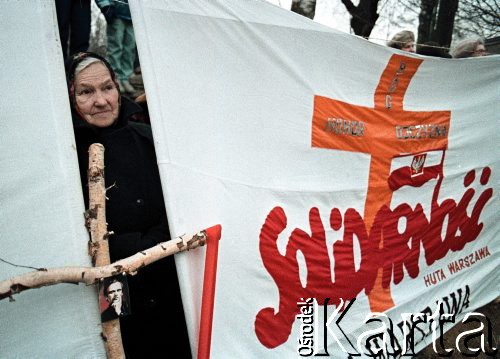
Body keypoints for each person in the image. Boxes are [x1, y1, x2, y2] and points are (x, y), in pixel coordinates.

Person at [66, 52, 191, 358]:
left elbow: (179, 201)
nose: (100, 100)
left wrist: (153, 243)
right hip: (109, 287)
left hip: (165, 274)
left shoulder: (150, 139)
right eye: (86, 92)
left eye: (107, 88)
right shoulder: (65, 156)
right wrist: (128, 247)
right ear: (70, 98)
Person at [95, 0, 136, 94]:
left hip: (133, 15)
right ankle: (115, 78)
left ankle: (126, 78)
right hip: (116, 12)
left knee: (130, 48)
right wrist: (105, 5)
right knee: (116, 47)